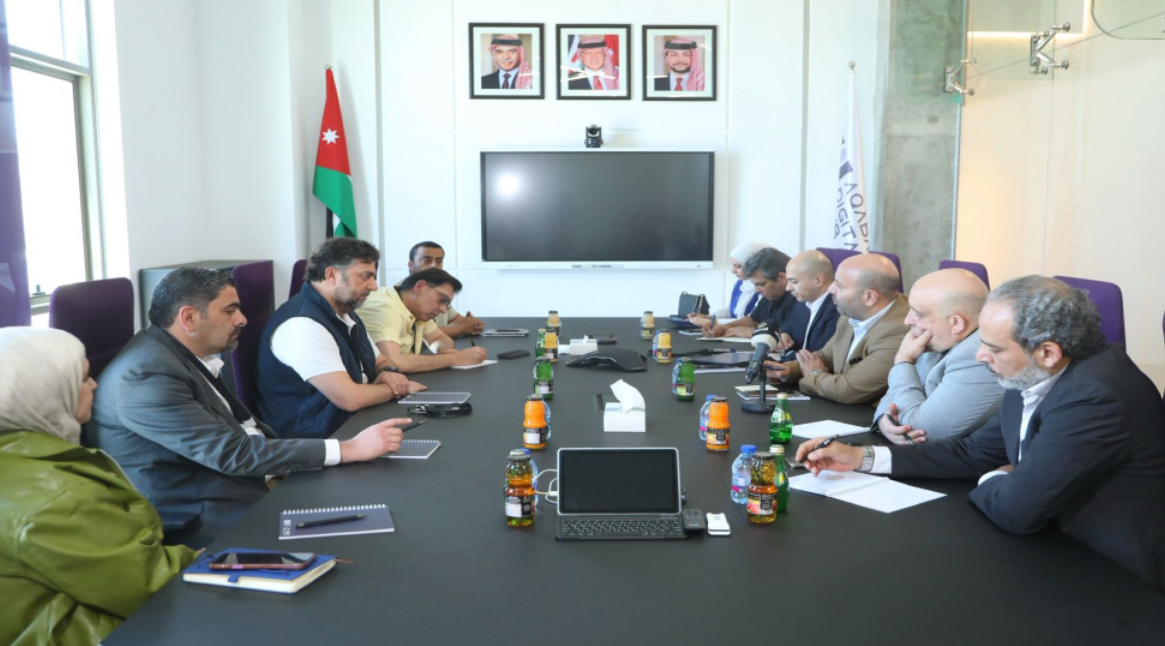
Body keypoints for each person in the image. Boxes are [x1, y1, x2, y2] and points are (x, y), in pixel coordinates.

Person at [796, 276, 1165, 590]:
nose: (979, 356)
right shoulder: (1033, 369)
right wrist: (860, 457)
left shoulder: (1094, 397)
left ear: (1048, 352)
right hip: (1050, 547)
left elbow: (1017, 510)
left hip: (1111, 577)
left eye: (992, 347)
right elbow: (972, 452)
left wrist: (994, 477)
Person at [87, 266, 416, 546]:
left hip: (250, 481)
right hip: (203, 516)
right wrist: (348, 449)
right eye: (230, 310)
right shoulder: (146, 375)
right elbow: (232, 454)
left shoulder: (176, 355)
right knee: (369, 542)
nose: (243, 319)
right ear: (189, 317)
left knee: (383, 506)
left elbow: (246, 430)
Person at [0, 327, 197, 644]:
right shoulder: (59, 497)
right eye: (83, 378)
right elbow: (150, 588)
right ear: (41, 395)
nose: (94, 384)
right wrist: (211, 559)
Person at [258, 238, 424, 439]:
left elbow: (380, 361)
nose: (374, 286)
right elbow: (350, 398)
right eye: (366, 276)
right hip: (315, 438)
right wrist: (395, 389)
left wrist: (388, 372)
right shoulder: (302, 325)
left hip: (346, 421)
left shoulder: (345, 312)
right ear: (331, 275)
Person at [872, 268, 1004, 443]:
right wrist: (883, 420)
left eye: (918, 314)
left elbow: (920, 430)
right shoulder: (940, 335)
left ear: (955, 323)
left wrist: (903, 361)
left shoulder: (980, 356)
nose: (907, 320)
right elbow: (896, 392)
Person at [766, 252, 910, 405]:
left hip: (868, 415)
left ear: (869, 297)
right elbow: (825, 357)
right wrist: (788, 370)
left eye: (839, 286)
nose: (830, 289)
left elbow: (847, 390)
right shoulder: (850, 314)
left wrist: (813, 375)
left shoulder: (899, 332)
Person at [360, 268, 489, 373]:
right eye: (442, 299)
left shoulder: (415, 308)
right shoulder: (385, 308)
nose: (443, 310)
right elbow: (392, 362)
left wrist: (443, 350)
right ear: (419, 287)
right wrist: (455, 358)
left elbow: (439, 338)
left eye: (447, 304)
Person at [704, 247, 797, 338]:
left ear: (782, 278)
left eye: (761, 284)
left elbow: (785, 335)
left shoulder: (797, 299)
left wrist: (746, 331)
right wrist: (725, 327)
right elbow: (753, 320)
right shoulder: (770, 295)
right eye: (755, 285)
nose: (757, 290)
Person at [402, 240, 484, 338]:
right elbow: (418, 334)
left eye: (439, 261)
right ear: (411, 265)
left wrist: (473, 324)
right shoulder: (403, 293)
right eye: (427, 260)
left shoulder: (439, 290)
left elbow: (456, 319)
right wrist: (462, 328)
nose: (434, 265)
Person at [774, 249, 840, 360]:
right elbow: (787, 328)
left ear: (818, 280)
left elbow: (818, 355)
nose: (788, 288)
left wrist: (785, 357)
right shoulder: (802, 303)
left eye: (794, 281)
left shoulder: (838, 310)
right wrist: (784, 335)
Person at [687, 241, 766, 327]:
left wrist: (711, 322)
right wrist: (709, 317)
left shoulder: (764, 289)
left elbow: (751, 322)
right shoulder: (742, 283)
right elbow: (731, 311)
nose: (733, 271)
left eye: (738, 266)